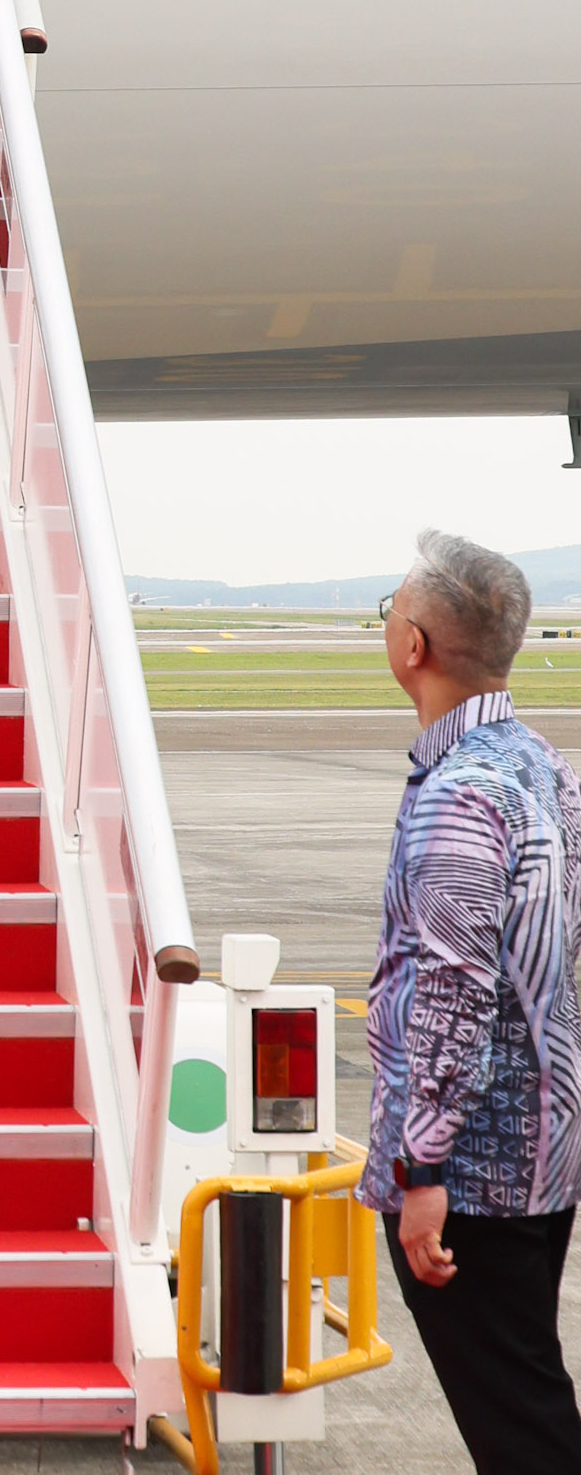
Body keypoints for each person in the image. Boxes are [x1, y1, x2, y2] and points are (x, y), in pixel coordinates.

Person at [362, 528, 581, 1475]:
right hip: (543, 1158)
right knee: (531, 1397)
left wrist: (422, 1171)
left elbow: (452, 997)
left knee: (522, 1431)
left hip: (473, 1182)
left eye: (390, 611)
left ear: (414, 646)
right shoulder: (544, 768)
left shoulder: (460, 797)